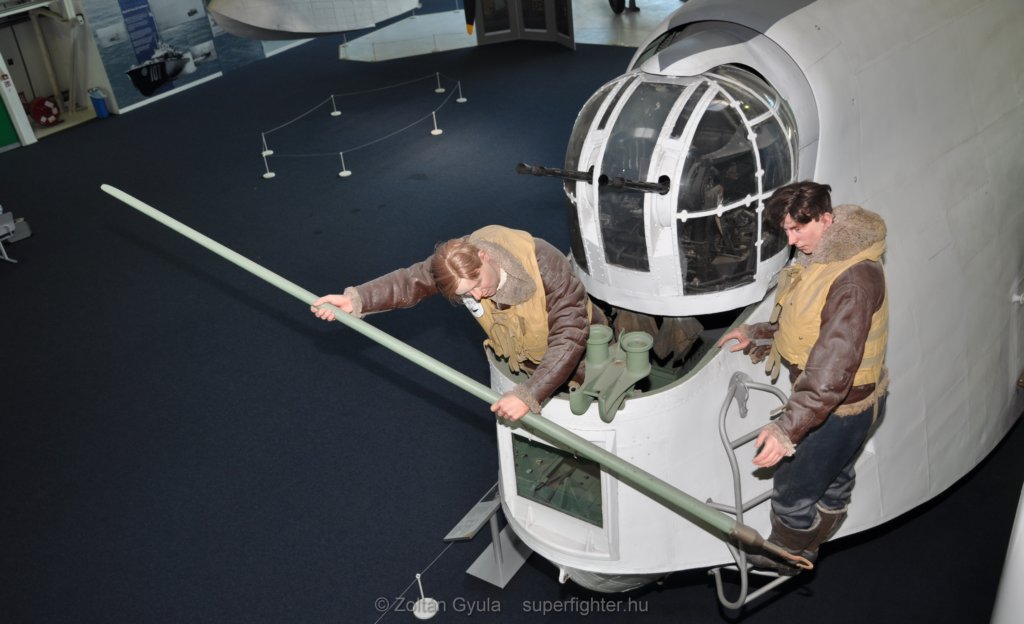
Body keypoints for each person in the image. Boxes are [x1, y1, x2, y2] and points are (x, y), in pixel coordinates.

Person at [717, 181, 889, 573]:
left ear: (826, 219)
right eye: (787, 231)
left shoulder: (854, 280)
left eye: (798, 229)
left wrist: (786, 430)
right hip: (846, 402)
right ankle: (817, 537)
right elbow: (808, 321)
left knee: (792, 491)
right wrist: (759, 333)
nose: (792, 241)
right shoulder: (826, 255)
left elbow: (832, 370)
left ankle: (786, 556)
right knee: (833, 477)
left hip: (839, 407)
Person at [311, 225, 606, 422]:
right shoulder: (457, 262)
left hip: (582, 358)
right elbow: (412, 280)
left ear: (484, 256)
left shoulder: (543, 262)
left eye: (477, 283)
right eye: (467, 294)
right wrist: (357, 300)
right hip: (526, 364)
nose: (477, 296)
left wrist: (530, 394)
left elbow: (570, 332)